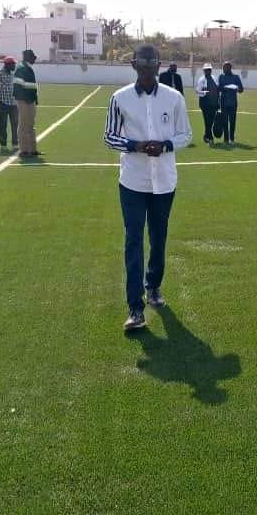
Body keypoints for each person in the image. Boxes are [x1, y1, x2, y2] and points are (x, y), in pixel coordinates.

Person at [104, 45, 193, 332]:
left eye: (151, 66)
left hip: (164, 181)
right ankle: (135, 308)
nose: (146, 72)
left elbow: (185, 134)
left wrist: (165, 145)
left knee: (158, 237)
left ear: (158, 67)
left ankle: (153, 285)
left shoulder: (174, 97)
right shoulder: (120, 98)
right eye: (141, 66)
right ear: (134, 66)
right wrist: (136, 146)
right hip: (133, 181)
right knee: (133, 239)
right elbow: (110, 136)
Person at [13, 49, 41, 157]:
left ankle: (32, 150)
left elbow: (32, 86)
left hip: (31, 100)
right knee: (23, 125)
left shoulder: (28, 68)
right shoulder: (21, 68)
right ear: (28, 57)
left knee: (31, 125)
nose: (34, 59)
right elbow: (17, 86)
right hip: (24, 101)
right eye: (32, 57)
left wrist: (34, 99)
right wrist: (24, 100)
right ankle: (24, 150)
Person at [0, 56, 19, 153]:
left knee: (15, 124)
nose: (14, 66)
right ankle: (3, 145)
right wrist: (0, 98)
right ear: (7, 65)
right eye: (13, 64)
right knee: (2, 125)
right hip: (3, 103)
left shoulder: (14, 73)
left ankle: (15, 144)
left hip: (14, 104)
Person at [216, 61, 244, 144]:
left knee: (232, 121)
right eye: (223, 67)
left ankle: (232, 139)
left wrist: (237, 88)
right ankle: (226, 139)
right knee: (224, 121)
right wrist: (224, 88)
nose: (223, 69)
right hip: (223, 102)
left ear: (229, 68)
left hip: (233, 103)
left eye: (225, 67)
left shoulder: (236, 77)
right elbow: (218, 88)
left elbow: (241, 89)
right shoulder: (221, 77)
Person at [195, 63, 219, 144]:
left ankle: (206, 135)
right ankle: (210, 138)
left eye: (209, 69)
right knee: (207, 121)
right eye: (206, 70)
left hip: (214, 103)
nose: (208, 71)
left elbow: (217, 89)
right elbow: (197, 91)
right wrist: (205, 92)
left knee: (211, 121)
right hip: (205, 103)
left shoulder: (214, 78)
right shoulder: (201, 79)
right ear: (204, 70)